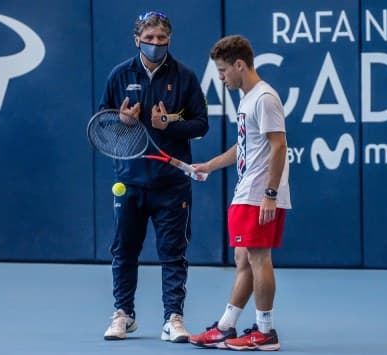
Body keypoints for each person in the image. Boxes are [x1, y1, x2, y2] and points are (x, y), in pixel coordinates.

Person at [98, 11, 209, 343]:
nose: (156, 44)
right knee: (124, 251)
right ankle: (123, 314)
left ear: (169, 40)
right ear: (137, 40)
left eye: (162, 39)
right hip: (130, 180)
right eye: (149, 39)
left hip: (172, 183)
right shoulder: (119, 75)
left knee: (173, 253)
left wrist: (169, 125)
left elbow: (202, 125)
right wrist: (122, 121)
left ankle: (173, 318)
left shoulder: (185, 77)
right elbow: (103, 124)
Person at [188, 35, 291, 351]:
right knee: (243, 258)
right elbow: (245, 146)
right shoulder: (247, 100)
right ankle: (226, 326)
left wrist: (270, 194)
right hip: (248, 190)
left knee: (258, 257)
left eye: (222, 71)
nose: (220, 77)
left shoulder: (264, 98)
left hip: (259, 194)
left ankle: (265, 331)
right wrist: (210, 165)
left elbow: (279, 145)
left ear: (239, 64)